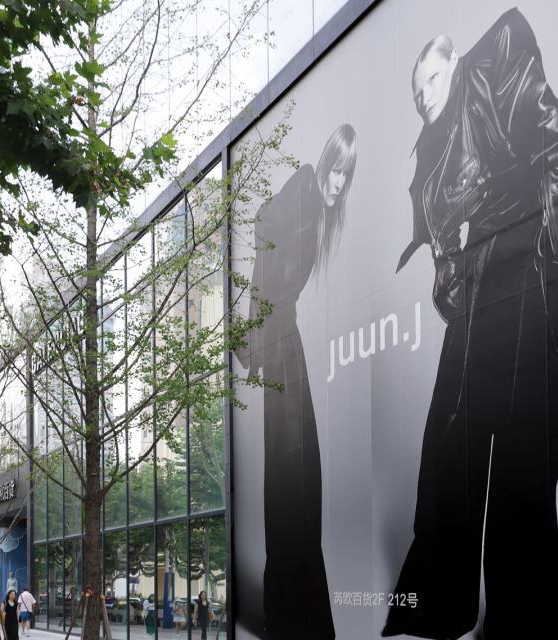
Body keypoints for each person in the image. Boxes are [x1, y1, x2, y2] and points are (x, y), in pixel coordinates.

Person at [383, 9, 558, 640]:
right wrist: (449, 279)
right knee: (449, 444)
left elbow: (550, 135)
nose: (426, 99)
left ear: (455, 67)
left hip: (537, 246)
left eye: (432, 82)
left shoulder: (492, 61)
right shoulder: (432, 154)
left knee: (524, 462)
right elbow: (445, 246)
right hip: (486, 277)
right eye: (418, 94)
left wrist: (552, 244)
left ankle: (524, 625)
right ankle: (437, 607)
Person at [237, 124, 357, 640]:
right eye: (338, 170)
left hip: (285, 344)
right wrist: (257, 337)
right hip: (281, 344)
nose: (339, 184)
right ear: (326, 160)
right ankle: (294, 608)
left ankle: (295, 606)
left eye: (346, 177)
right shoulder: (307, 187)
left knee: (298, 476)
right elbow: (266, 223)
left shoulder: (318, 207)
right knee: (294, 475)